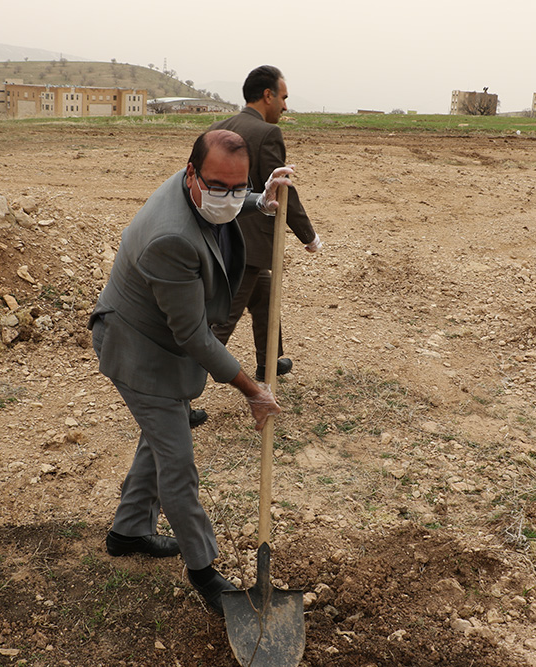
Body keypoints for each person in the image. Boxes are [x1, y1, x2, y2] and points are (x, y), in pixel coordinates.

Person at [89, 129, 287, 615]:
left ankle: (129, 532)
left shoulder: (203, 188)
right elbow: (195, 337)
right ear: (192, 172)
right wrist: (251, 389)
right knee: (177, 464)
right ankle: (205, 574)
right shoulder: (170, 237)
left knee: (161, 437)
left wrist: (259, 201)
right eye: (220, 187)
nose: (229, 197)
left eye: (239, 187)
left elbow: (226, 199)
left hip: (161, 339)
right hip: (138, 348)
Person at [208, 65, 321, 382]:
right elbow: (281, 189)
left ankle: (268, 362)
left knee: (265, 296)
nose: (285, 106)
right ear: (267, 95)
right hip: (246, 245)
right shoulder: (267, 134)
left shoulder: (218, 126)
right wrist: (308, 235)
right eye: (283, 98)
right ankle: (180, 396)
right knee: (221, 322)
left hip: (218, 236)